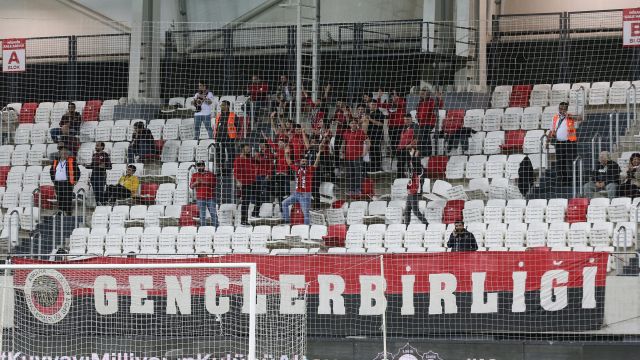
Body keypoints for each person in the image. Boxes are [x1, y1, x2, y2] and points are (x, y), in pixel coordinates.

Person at [282, 149, 322, 225]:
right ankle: (286, 221)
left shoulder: (310, 169)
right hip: (296, 194)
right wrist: (286, 153)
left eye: (305, 161)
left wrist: (319, 153)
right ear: (300, 162)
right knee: (284, 203)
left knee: (306, 213)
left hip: (305, 195)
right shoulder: (297, 168)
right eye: (303, 161)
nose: (304, 162)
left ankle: (306, 228)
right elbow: (289, 162)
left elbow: (316, 164)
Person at [548, 102, 582, 185]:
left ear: (566, 109)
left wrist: (569, 116)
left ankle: (574, 180)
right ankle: (563, 180)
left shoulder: (570, 117)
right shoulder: (555, 117)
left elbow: (581, 118)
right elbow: (552, 129)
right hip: (559, 143)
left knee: (571, 162)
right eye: (560, 108)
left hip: (570, 142)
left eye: (564, 109)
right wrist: (547, 140)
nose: (562, 110)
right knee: (560, 162)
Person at [341, 118, 369, 196]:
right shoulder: (346, 133)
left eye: (354, 123)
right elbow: (344, 143)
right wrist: (342, 152)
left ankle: (358, 189)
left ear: (357, 124)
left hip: (357, 156)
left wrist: (365, 152)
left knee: (358, 173)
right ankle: (351, 189)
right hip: (348, 156)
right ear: (349, 124)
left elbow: (368, 142)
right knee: (350, 174)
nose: (353, 124)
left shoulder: (361, 132)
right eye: (351, 123)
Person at [49, 146, 80, 216]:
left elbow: (78, 172)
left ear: (68, 154)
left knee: (67, 199)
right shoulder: (55, 161)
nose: (64, 154)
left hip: (68, 183)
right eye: (62, 153)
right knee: (60, 199)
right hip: (58, 183)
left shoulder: (72, 161)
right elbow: (51, 171)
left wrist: (75, 180)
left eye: (66, 153)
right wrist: (53, 179)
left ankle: (68, 214)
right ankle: (61, 213)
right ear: (59, 154)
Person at [234, 144, 259, 225]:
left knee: (259, 197)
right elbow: (236, 172)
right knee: (246, 202)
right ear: (242, 150)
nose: (248, 150)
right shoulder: (238, 159)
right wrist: (238, 181)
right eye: (247, 149)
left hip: (253, 182)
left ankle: (255, 213)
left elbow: (258, 164)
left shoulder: (250, 159)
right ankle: (243, 220)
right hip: (245, 183)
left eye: (249, 149)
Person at [404, 147, 429, 225]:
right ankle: (406, 226)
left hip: (415, 192)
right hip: (411, 192)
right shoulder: (413, 168)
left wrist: (413, 155)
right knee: (407, 210)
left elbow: (414, 162)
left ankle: (426, 224)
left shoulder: (419, 169)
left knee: (415, 211)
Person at [190, 161, 218, 227]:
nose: (200, 166)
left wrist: (203, 181)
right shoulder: (194, 175)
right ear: (197, 166)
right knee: (202, 215)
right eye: (199, 165)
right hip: (200, 198)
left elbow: (214, 184)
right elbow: (191, 186)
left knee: (213, 213)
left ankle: (216, 228)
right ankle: (203, 229)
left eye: (202, 165)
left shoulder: (210, 174)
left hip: (210, 197)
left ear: (204, 166)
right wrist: (197, 182)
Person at [416, 88, 443, 156]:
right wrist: (417, 116)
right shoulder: (420, 102)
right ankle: (422, 151)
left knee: (424, 133)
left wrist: (439, 98)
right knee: (420, 134)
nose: (422, 95)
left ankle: (426, 151)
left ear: (427, 94)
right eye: (421, 94)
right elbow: (418, 112)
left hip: (429, 122)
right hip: (421, 123)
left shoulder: (431, 101)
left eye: (424, 93)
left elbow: (439, 106)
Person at [214, 100, 238, 169]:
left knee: (231, 153)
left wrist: (237, 137)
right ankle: (221, 167)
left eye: (223, 105)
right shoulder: (218, 115)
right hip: (219, 137)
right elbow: (216, 126)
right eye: (221, 105)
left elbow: (238, 126)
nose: (221, 106)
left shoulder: (233, 115)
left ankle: (232, 168)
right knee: (220, 153)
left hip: (229, 137)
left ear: (227, 106)